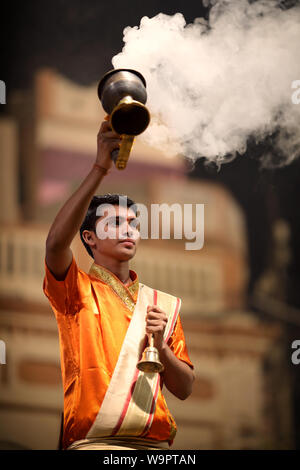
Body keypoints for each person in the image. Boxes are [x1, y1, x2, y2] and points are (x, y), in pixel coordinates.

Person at [43, 118, 195, 450]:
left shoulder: (161, 304)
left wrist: (163, 348)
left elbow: (184, 389)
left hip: (156, 449)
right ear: (89, 238)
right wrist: (100, 167)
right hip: (96, 443)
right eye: (114, 222)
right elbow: (55, 245)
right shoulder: (77, 291)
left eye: (133, 223)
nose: (128, 230)